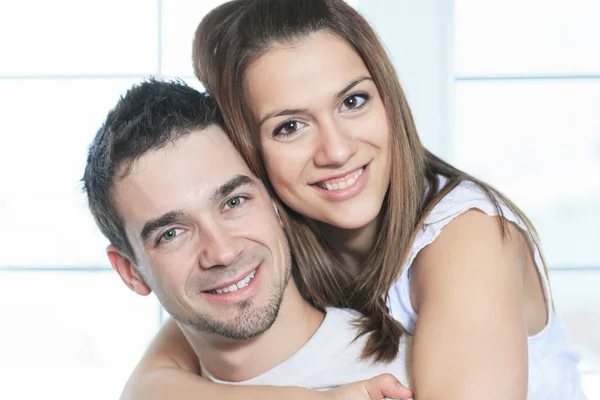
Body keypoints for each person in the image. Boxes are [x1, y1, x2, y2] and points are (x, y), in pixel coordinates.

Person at [120, 1, 588, 399]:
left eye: (353, 102)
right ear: (246, 149)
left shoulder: (468, 235)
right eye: (290, 126)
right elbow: (151, 386)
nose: (338, 150)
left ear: (387, 95)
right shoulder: (272, 244)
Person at [82, 79, 414, 400]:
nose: (223, 252)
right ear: (131, 272)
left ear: (274, 201)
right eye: (171, 234)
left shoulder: (412, 376)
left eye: (234, 202)